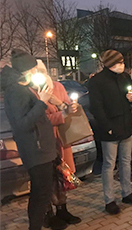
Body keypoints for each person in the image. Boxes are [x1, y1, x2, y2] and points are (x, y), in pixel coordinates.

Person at [1, 49, 57, 230]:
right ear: (27, 70)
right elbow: (22, 124)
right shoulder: (15, 91)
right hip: (36, 150)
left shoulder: (23, 87)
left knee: (41, 193)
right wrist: (42, 102)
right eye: (35, 68)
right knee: (41, 195)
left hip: (40, 148)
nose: (37, 72)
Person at [89, 50, 132, 215]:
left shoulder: (125, 77)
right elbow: (96, 108)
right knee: (109, 164)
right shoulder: (97, 81)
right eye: (118, 62)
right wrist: (107, 127)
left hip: (126, 125)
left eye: (122, 61)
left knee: (126, 161)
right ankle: (109, 200)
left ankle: (127, 193)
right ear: (109, 63)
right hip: (110, 129)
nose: (122, 65)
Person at [31, 60, 81, 230]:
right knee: (47, 179)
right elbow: (39, 120)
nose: (40, 74)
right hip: (44, 141)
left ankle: (62, 209)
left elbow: (67, 107)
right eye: (36, 71)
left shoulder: (57, 86)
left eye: (42, 70)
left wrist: (67, 107)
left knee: (62, 175)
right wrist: (62, 113)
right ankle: (48, 214)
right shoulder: (31, 91)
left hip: (61, 138)